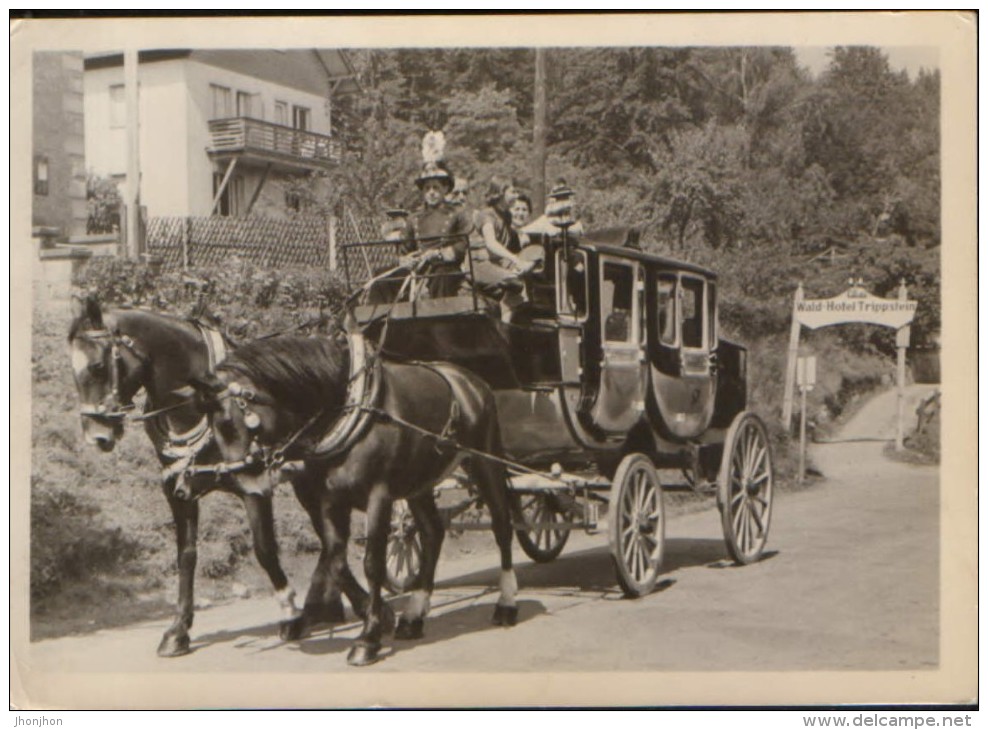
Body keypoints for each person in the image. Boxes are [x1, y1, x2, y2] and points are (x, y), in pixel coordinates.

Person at [383, 160, 473, 299]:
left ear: (445, 189)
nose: (431, 192)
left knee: (441, 275)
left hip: (445, 267)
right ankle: (379, 319)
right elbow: (405, 248)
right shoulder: (414, 218)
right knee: (385, 276)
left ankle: (438, 318)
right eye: (427, 188)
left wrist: (438, 253)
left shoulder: (457, 214)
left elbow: (463, 243)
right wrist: (405, 259)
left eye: (436, 188)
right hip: (419, 268)